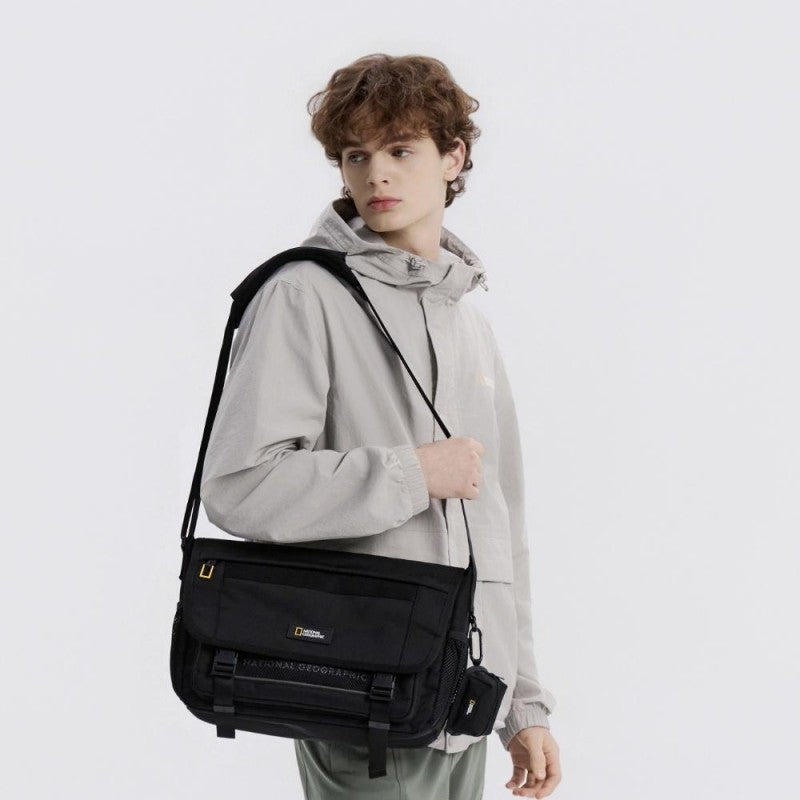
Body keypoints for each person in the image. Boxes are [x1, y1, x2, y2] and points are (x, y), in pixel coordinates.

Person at [200, 53, 562, 799]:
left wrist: (521, 702)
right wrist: (412, 473)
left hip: (462, 699)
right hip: (361, 690)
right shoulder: (305, 294)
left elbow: (502, 523)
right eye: (356, 155)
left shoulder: (467, 323)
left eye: (400, 150)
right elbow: (240, 485)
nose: (376, 175)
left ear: (452, 158)